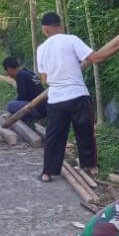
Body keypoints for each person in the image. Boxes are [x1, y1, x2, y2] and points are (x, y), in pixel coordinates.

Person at [37, 12, 103, 182]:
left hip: (56, 100)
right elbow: (95, 58)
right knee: (85, 131)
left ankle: (47, 172)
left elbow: (45, 79)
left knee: (54, 136)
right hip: (77, 95)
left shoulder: (41, 49)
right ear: (60, 24)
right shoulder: (71, 39)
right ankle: (91, 166)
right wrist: (117, 46)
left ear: (45, 29)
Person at [3, 56, 46, 124]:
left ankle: (28, 121)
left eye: (7, 71)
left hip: (38, 109)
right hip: (43, 107)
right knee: (15, 104)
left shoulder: (20, 76)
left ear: (9, 69)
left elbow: (22, 98)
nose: (8, 74)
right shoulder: (27, 72)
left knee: (10, 106)